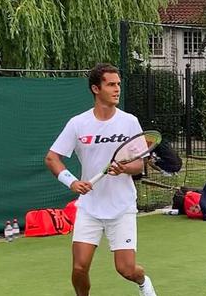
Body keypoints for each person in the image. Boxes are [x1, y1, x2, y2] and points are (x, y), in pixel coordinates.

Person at [44, 63, 157, 296]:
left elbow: (139, 164)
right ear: (96, 89)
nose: (117, 89)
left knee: (126, 270)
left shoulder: (129, 122)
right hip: (89, 208)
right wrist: (72, 182)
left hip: (122, 206)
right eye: (111, 84)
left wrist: (124, 168)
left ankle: (144, 282)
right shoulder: (78, 123)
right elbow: (52, 158)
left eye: (118, 84)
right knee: (79, 267)